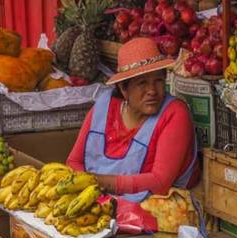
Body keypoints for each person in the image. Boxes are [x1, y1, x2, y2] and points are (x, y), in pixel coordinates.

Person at [66, 37, 199, 202]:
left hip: (158, 214)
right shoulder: (104, 107)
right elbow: (73, 161)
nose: (152, 91)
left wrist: (94, 182)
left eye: (158, 80)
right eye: (142, 83)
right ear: (123, 89)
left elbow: (159, 183)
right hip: (96, 201)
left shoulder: (174, 113)